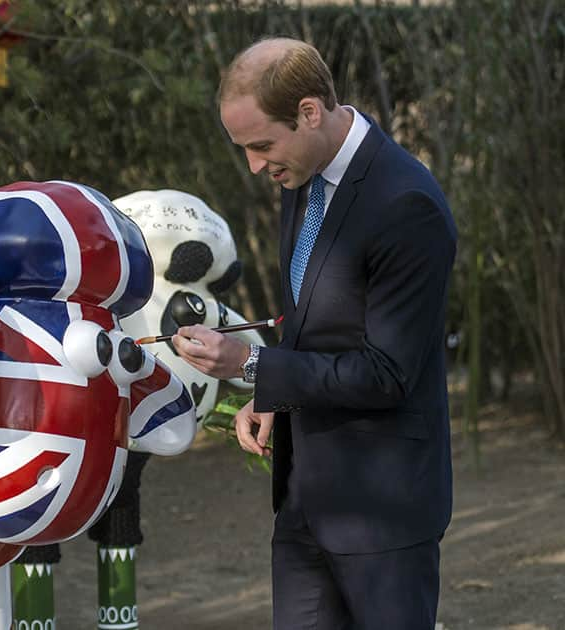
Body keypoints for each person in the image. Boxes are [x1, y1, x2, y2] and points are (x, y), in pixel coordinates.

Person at [171, 37, 457, 629]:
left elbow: (386, 372)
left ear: (309, 112)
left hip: (384, 516)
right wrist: (273, 395)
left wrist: (252, 366)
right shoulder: (301, 175)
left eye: (261, 145)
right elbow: (318, 319)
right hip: (303, 504)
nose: (254, 165)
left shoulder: (408, 204)